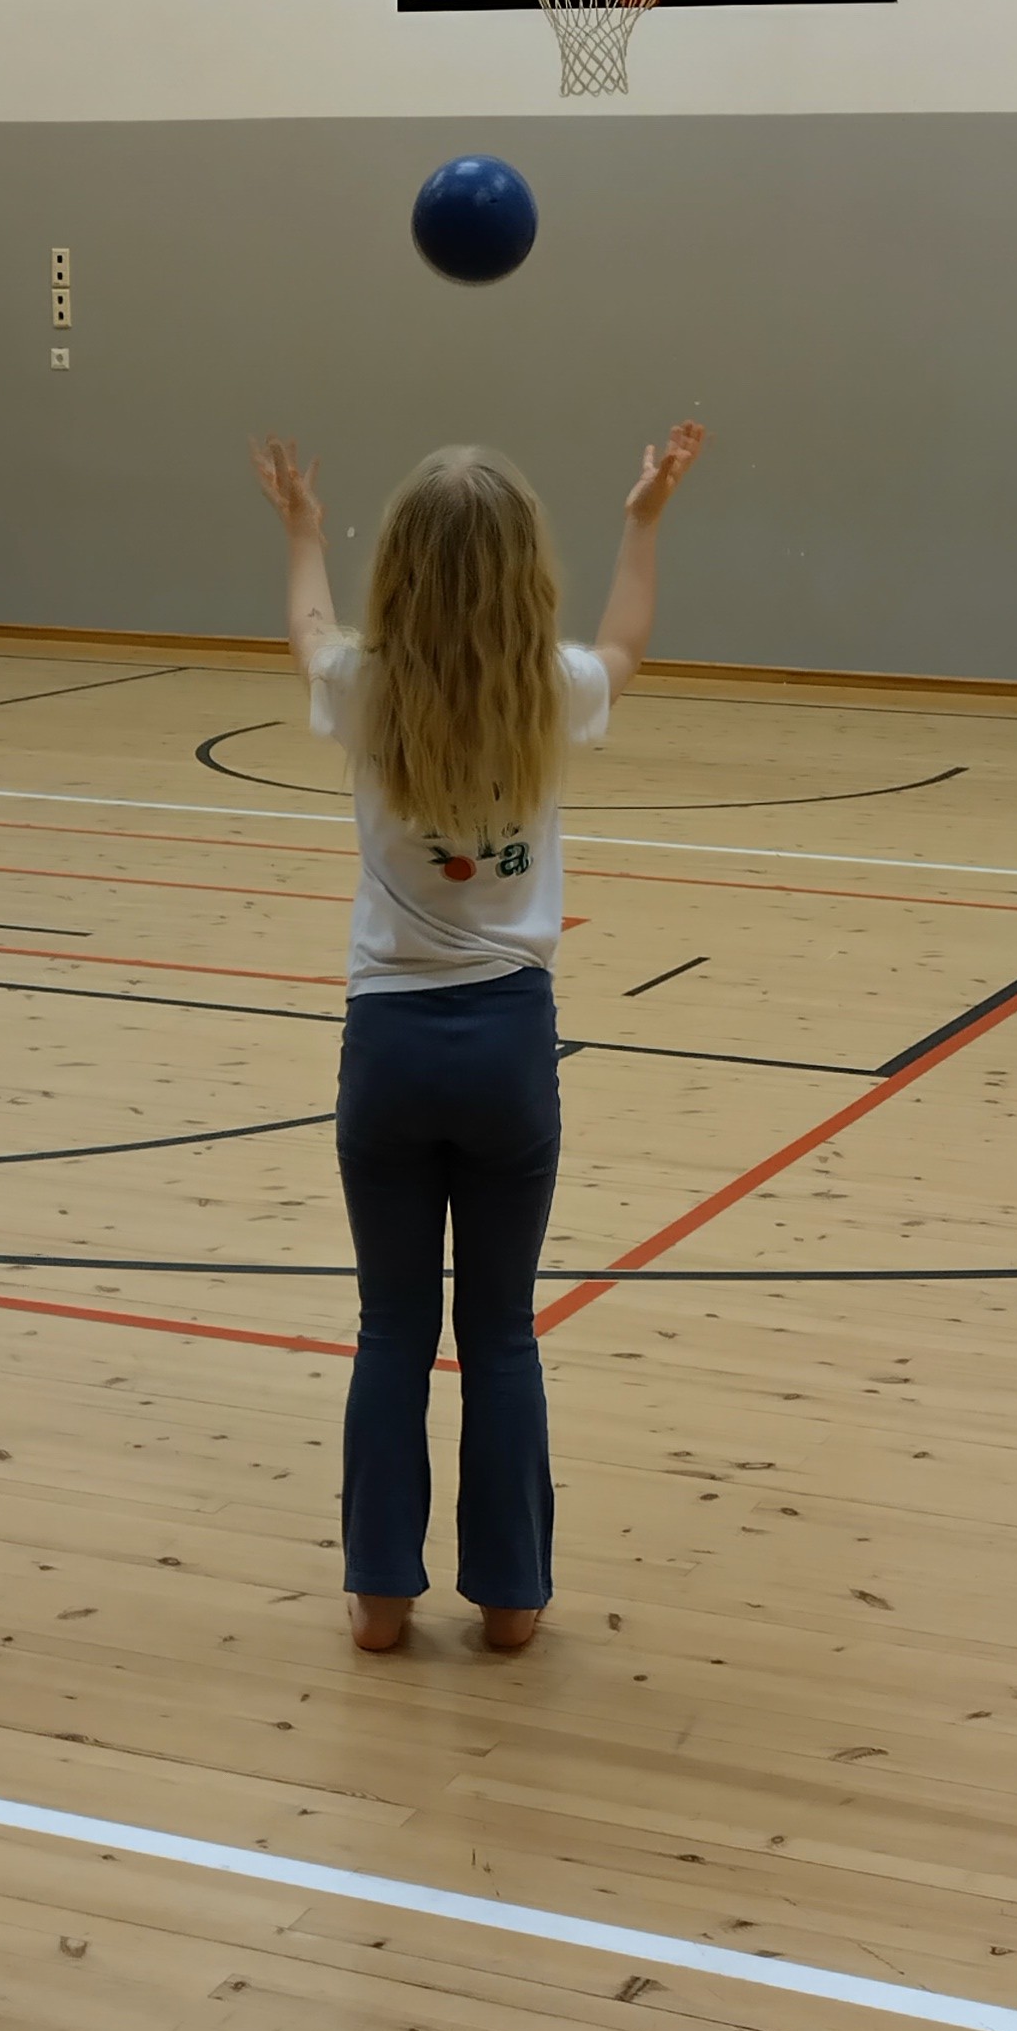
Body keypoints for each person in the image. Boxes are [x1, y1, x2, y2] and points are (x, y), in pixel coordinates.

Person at [252, 420, 706, 1652]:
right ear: (523, 575)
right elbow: (627, 644)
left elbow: (307, 630)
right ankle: (510, 1602)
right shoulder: (549, 690)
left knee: (393, 1328)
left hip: (388, 1048)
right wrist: (644, 522)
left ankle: (381, 1599)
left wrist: (301, 531)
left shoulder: (363, 687)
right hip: (508, 1048)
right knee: (501, 1333)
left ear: (399, 566)